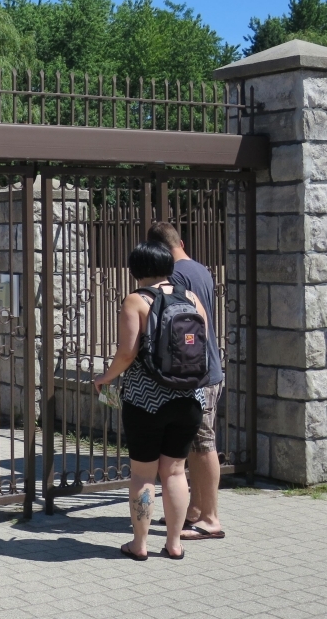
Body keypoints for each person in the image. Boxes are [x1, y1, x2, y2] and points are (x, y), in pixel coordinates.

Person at [93, 241, 207, 561]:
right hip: (189, 397)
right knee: (175, 471)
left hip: (147, 398)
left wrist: (105, 377)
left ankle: (139, 545)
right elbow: (202, 345)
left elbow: (128, 353)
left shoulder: (136, 300)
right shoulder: (192, 298)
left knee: (143, 474)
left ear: (136, 269)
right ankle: (174, 544)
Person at [147, 221, 226, 541]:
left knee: (204, 444)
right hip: (208, 367)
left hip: (195, 373)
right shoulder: (200, 269)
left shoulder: (175, 276)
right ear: (180, 241)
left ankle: (210, 518)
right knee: (195, 444)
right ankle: (194, 509)